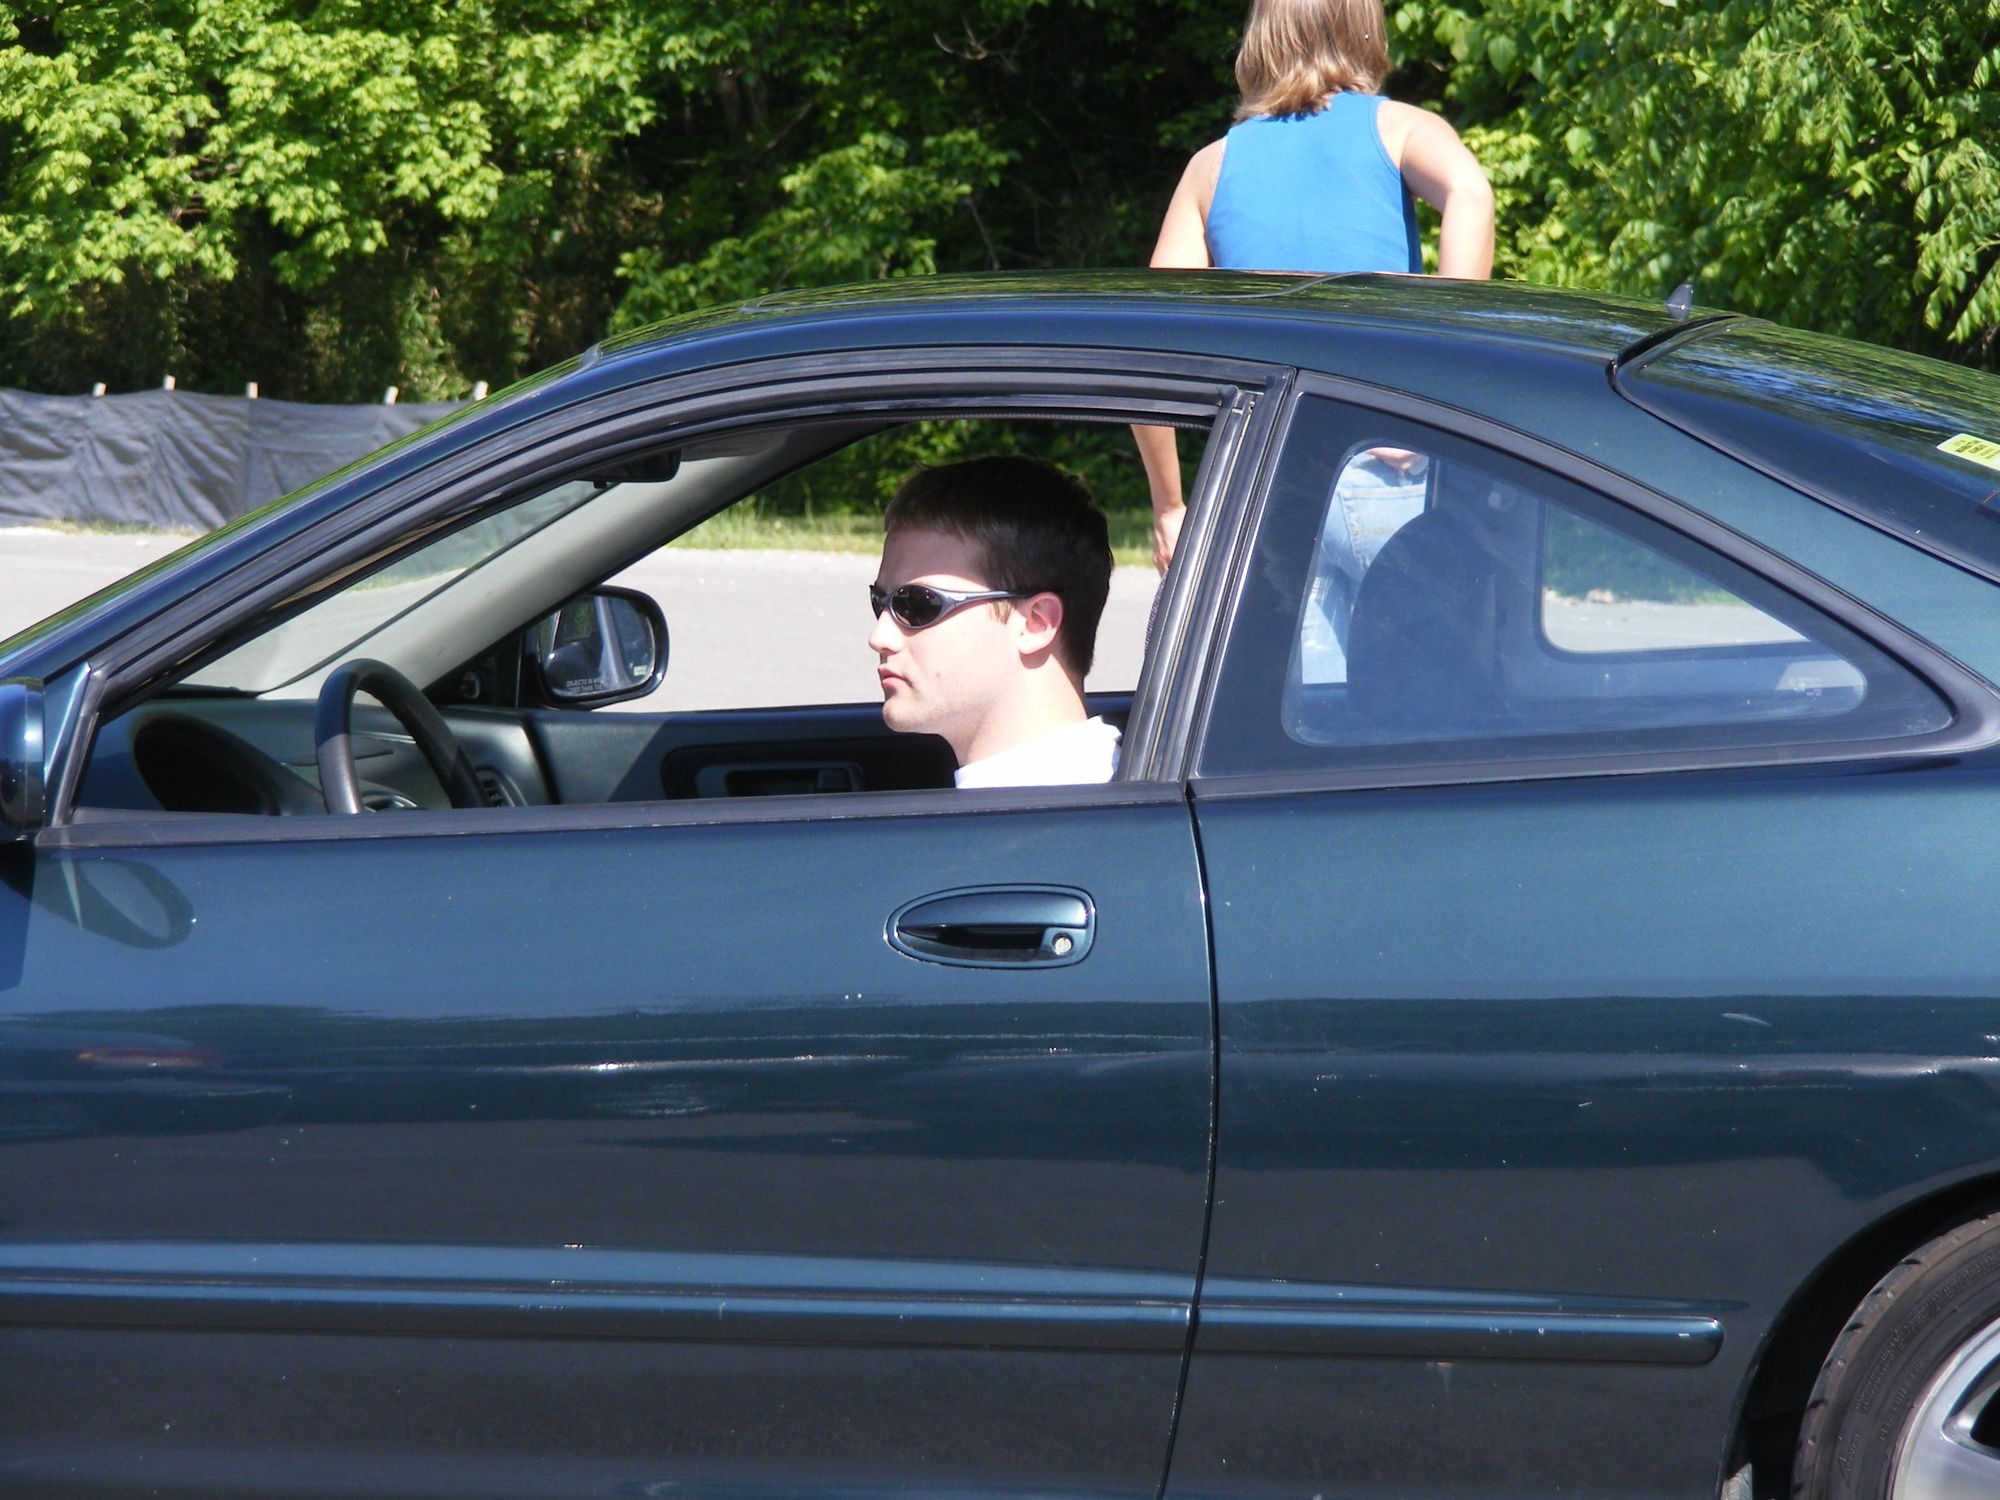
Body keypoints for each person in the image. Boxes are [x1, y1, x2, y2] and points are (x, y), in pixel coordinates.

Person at [1137, 0, 1495, 571]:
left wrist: (1170, 505)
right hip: (1380, 457)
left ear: (1262, 38)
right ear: (1364, 29)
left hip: (1261, 481)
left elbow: (1150, 338)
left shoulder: (1212, 165)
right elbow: (1470, 193)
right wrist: (1444, 377)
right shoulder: (1397, 126)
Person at [869, 455, 1119, 788]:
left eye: (917, 604)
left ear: (1035, 623)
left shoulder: (1050, 813)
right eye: (879, 601)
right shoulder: (1090, 788)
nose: (879, 637)